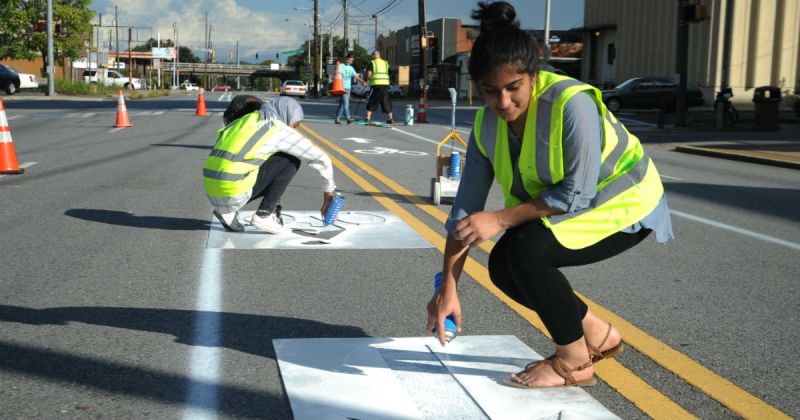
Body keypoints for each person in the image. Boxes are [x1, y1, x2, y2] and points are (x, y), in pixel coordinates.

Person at [426, 1, 674, 389]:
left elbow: (576, 192)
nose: (503, 103)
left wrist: (500, 219)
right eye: (491, 91)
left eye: (513, 88)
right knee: (503, 266)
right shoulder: (486, 124)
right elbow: (465, 211)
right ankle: (596, 333)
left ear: (533, 76)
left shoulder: (571, 104)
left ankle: (575, 363)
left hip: (627, 206)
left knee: (525, 250)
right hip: (575, 209)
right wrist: (447, 289)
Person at [203, 95, 336, 234]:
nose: (293, 129)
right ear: (286, 115)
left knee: (259, 158)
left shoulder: (244, 120)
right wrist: (328, 194)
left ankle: (226, 212)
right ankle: (264, 215)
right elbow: (322, 159)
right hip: (232, 190)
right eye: (295, 124)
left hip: (212, 191)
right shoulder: (277, 128)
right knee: (291, 159)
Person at [364, 50, 394, 124]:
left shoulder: (372, 63)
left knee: (373, 100)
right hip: (385, 85)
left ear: (374, 55)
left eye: (372, 55)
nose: (372, 57)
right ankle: (390, 118)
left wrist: (367, 80)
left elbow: (369, 73)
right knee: (386, 101)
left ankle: (367, 118)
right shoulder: (386, 63)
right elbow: (390, 73)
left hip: (376, 85)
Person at [335, 54, 365, 125]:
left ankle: (337, 118)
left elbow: (356, 77)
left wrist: (363, 82)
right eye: (349, 59)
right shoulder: (341, 66)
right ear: (346, 59)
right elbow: (336, 74)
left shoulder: (351, 68)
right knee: (346, 103)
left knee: (342, 104)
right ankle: (348, 118)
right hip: (341, 87)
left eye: (351, 60)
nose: (350, 61)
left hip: (348, 87)